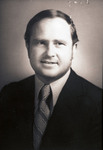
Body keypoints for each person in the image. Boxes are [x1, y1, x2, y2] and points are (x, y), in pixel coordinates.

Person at [0, 9, 102, 150]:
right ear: (28, 47)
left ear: (74, 49)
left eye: (59, 43)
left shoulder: (98, 103)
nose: (49, 53)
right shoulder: (8, 94)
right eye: (41, 42)